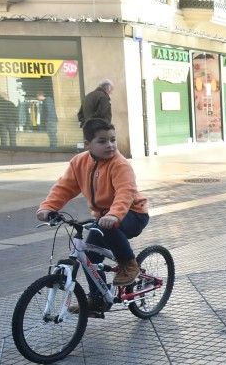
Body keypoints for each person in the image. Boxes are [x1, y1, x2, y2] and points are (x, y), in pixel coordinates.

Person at [36, 118, 148, 289]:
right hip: (104, 217)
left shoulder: (120, 165)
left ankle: (129, 264)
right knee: (90, 256)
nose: (110, 145)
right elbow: (64, 187)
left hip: (132, 213)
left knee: (106, 227)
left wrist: (113, 215)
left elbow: (125, 193)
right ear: (88, 144)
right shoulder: (79, 162)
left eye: (112, 140)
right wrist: (48, 207)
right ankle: (97, 299)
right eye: (102, 141)